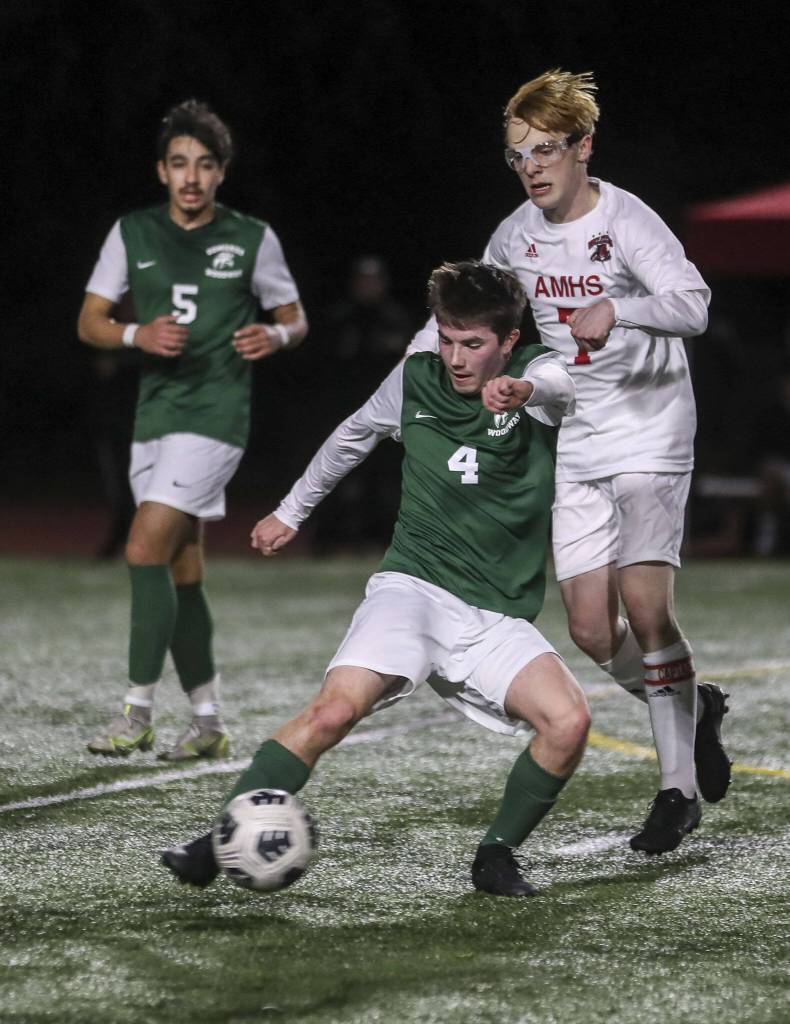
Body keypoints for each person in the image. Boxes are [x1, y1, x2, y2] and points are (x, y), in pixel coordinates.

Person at [162, 260, 589, 897]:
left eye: (473, 344)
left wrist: (524, 392)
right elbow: (353, 434)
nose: (456, 357)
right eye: (446, 338)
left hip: (496, 614)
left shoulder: (535, 372)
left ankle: (495, 854)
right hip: (412, 591)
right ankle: (218, 840)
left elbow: (560, 386)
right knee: (334, 711)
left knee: (569, 723)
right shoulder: (417, 380)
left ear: (508, 338)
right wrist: (290, 511)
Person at [410, 70, 731, 854]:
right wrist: (478, 377)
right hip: (579, 433)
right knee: (591, 629)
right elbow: (504, 330)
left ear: (583, 147)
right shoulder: (513, 238)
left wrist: (619, 307)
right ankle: (698, 704)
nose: (532, 167)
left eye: (547, 149)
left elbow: (694, 304)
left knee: (647, 609)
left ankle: (676, 790)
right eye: (518, 155)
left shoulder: (626, 222)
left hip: (653, 432)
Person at [78, 100, 307, 761]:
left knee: (143, 547)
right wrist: (134, 333)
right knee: (182, 571)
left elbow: (295, 317)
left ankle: (136, 712)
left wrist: (277, 333)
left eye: (205, 165)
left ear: (221, 174)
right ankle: (207, 722)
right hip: (154, 416)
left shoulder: (252, 238)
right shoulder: (132, 232)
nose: (191, 177)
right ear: (161, 170)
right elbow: (89, 320)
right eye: (180, 164)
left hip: (215, 416)